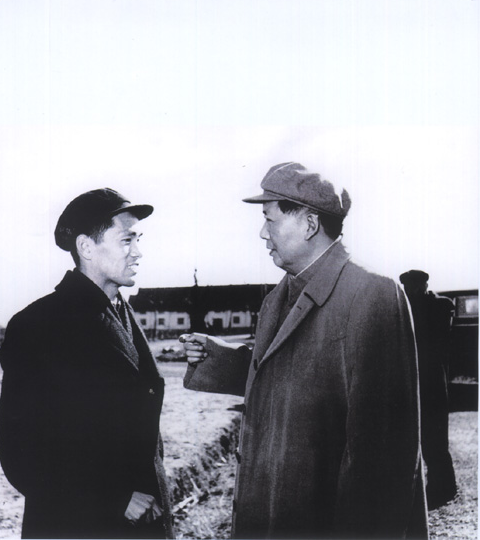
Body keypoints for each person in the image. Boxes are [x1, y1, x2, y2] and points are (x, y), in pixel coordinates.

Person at [181, 162, 428, 539]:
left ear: (310, 224)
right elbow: (300, 374)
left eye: (270, 219)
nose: (263, 233)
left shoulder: (372, 294)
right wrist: (221, 359)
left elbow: (383, 451)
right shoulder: (281, 296)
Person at [0, 188, 173, 539]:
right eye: (126, 240)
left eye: (137, 240)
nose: (138, 252)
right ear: (86, 247)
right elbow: (21, 450)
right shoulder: (39, 325)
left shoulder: (121, 311)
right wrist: (113, 498)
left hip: (143, 521)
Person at [400, 269, 457, 509]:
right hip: (412, 378)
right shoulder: (408, 306)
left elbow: (437, 332)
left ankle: (443, 488)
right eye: (407, 287)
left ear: (424, 285)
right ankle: (430, 489)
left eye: (415, 286)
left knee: (435, 439)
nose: (411, 291)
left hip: (432, 379)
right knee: (416, 437)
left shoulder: (439, 305)